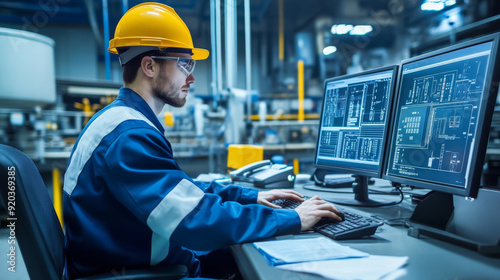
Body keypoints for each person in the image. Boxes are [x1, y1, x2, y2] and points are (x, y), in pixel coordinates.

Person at [63, 2, 343, 279]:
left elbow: (180, 192)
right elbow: (196, 221)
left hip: (146, 258)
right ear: (149, 66)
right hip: (140, 272)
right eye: (184, 64)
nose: (192, 77)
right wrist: (293, 218)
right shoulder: (129, 136)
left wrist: (250, 195)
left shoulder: (121, 121)